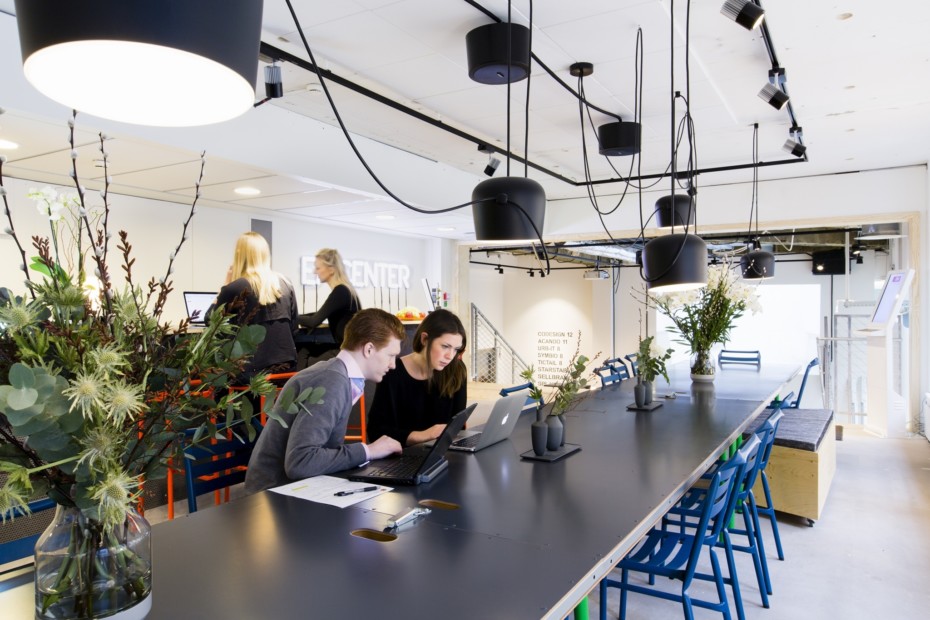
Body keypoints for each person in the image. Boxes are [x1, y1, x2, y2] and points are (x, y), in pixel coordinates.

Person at [244, 308, 405, 493]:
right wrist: (368, 451)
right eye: (390, 355)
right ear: (369, 349)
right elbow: (300, 463)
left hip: (289, 488)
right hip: (273, 496)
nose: (393, 365)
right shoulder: (332, 382)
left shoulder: (335, 374)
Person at [367, 309, 467, 446]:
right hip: (402, 454)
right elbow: (375, 432)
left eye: (456, 349)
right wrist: (422, 436)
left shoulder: (457, 370)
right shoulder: (392, 371)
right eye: (445, 346)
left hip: (444, 452)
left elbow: (458, 426)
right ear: (424, 339)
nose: (450, 356)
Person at [209, 232, 298, 380]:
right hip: (287, 367)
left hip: (250, 371)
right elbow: (294, 327)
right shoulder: (285, 283)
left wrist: (225, 285)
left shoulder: (235, 287)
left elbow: (211, 321)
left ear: (239, 255)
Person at [298, 248, 361, 349]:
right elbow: (320, 314)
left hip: (346, 351)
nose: (315, 272)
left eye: (318, 268)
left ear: (331, 269)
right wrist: (296, 317)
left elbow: (313, 321)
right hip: (347, 348)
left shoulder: (341, 291)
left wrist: (291, 318)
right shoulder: (345, 289)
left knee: (303, 351)